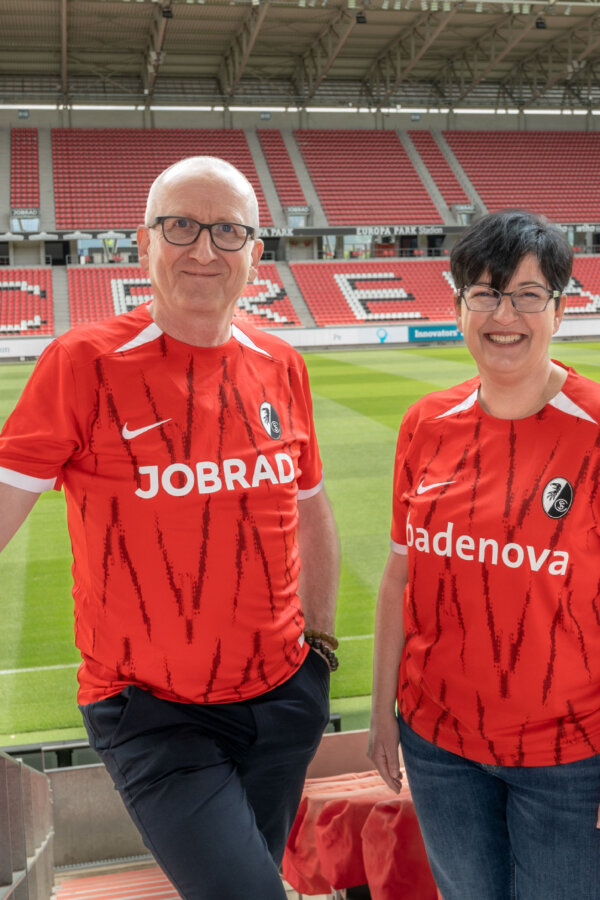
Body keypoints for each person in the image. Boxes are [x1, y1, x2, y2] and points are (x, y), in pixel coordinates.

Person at [0, 156, 339, 900]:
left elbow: (311, 509)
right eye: (181, 226)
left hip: (284, 702)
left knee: (254, 876)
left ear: (256, 252)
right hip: (154, 714)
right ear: (144, 242)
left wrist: (318, 650)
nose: (204, 249)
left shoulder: (281, 363)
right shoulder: (82, 364)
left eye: (227, 231)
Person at [368, 209, 600, 899]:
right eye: (487, 294)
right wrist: (381, 711)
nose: (505, 315)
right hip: (439, 748)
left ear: (559, 310)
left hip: (569, 757)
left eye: (527, 295)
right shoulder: (425, 425)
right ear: (459, 309)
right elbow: (399, 577)